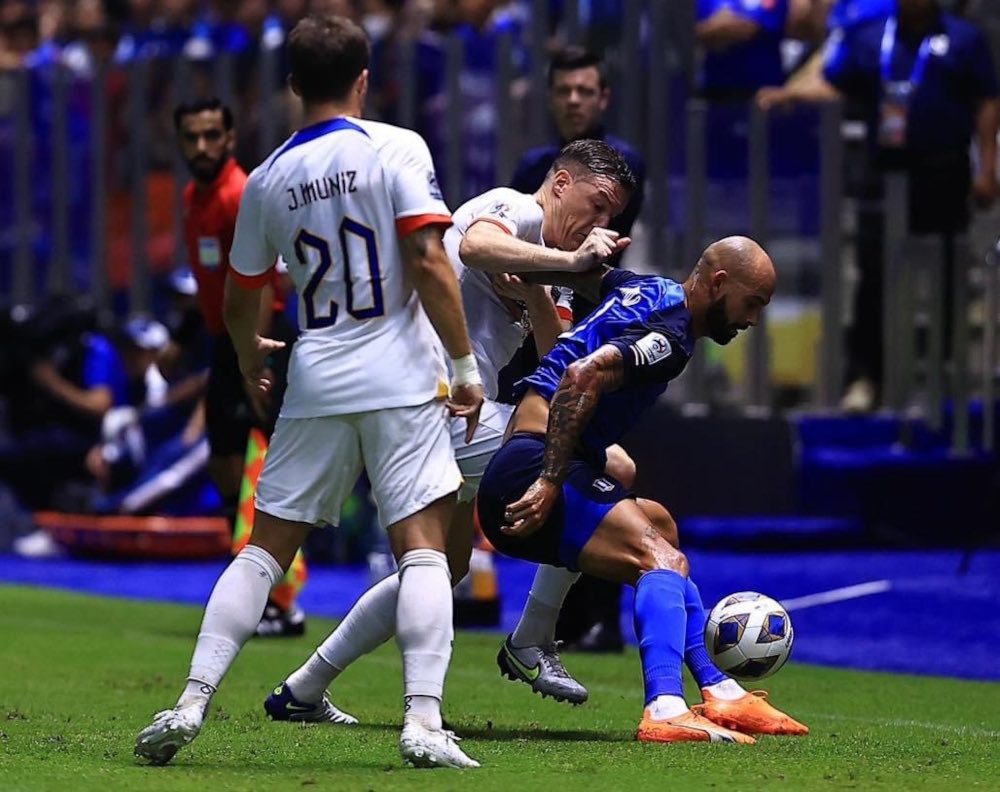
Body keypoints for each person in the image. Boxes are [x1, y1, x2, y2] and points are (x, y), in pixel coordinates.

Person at [135, 13, 484, 770]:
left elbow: (239, 296)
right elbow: (429, 259)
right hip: (399, 379)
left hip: (317, 377)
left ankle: (190, 701)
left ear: (292, 85)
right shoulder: (396, 147)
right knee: (423, 554)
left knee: (263, 552)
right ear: (365, 79)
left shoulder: (266, 179)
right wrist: (464, 365)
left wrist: (246, 353)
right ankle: (422, 722)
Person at [264, 138, 636, 718]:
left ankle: (302, 691)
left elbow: (551, 357)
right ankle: (531, 638)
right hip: (430, 401)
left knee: (445, 564)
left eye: (612, 216)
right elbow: (478, 243)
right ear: (561, 183)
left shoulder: (551, 267)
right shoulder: (517, 207)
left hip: (452, 416)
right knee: (604, 465)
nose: (601, 223)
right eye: (597, 204)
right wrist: (558, 263)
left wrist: (540, 281)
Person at [476, 237, 809, 743]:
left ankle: (719, 691)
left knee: (660, 528)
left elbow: (590, 278)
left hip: (537, 456)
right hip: (530, 469)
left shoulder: (649, 288)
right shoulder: (671, 338)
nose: (753, 320)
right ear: (719, 284)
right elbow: (581, 375)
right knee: (661, 560)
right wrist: (547, 479)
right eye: (753, 303)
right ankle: (665, 707)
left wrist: (547, 274)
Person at [757, 0, 999, 411]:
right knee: (874, 277)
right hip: (883, 176)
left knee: (947, 276)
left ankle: (942, 380)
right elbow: (835, 83)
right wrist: (790, 94)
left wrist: (988, 169)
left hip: (942, 172)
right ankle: (866, 379)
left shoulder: (963, 39)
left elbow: (986, 101)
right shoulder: (871, 36)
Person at [506, 46, 647, 652]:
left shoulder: (623, 169)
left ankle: (601, 615)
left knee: (604, 466)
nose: (573, 101)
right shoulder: (531, 169)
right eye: (563, 91)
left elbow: (595, 251)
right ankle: (556, 621)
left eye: (584, 91)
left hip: (601, 328)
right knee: (578, 464)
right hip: (543, 322)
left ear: (603, 98)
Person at [174, 96, 307, 637]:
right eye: (192, 137)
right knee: (227, 467)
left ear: (230, 139)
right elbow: (212, 281)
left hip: (256, 342)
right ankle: (258, 586)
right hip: (222, 344)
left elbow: (263, 279)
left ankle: (282, 601)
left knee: (265, 472)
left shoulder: (239, 194)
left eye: (212, 136)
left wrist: (253, 354)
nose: (202, 146)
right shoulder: (194, 196)